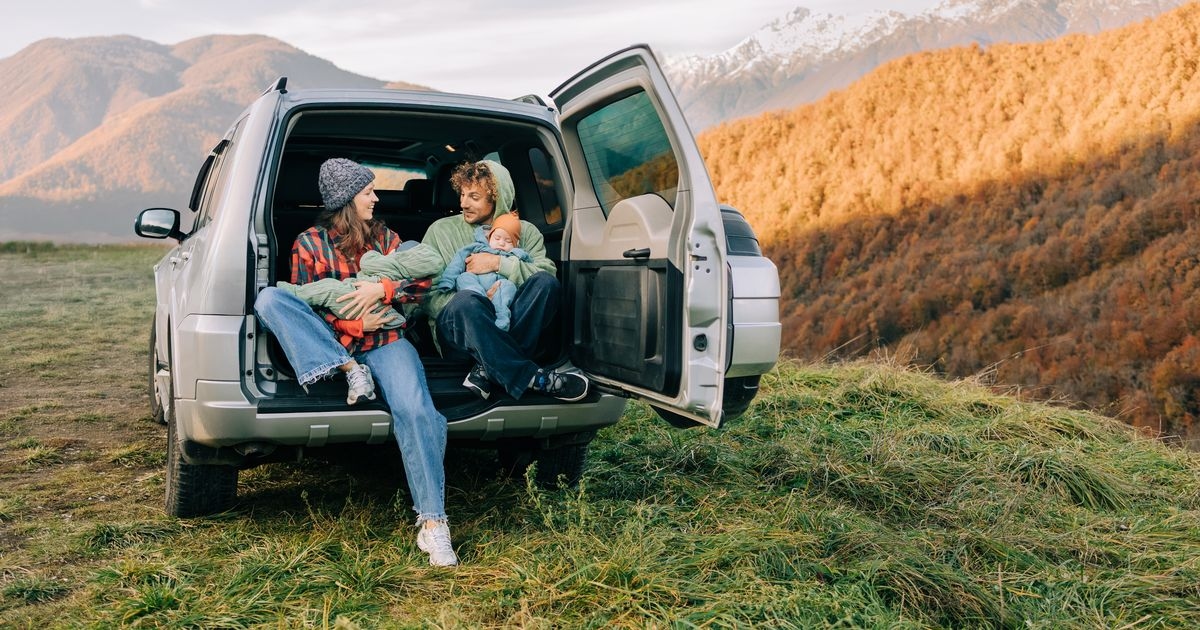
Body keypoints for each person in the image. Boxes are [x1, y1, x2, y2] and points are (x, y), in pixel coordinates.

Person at [253, 157, 458, 567]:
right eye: (368, 192)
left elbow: (424, 283)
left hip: (386, 339)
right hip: (336, 342)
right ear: (346, 200)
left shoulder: (385, 238)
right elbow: (306, 305)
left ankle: (434, 524)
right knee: (271, 299)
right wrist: (352, 323)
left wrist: (383, 290)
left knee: (417, 411)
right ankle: (348, 370)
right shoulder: (309, 243)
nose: (376, 198)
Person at [337, 159, 589, 403]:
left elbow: (546, 274)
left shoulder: (526, 231)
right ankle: (531, 377)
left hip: (512, 320)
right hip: (458, 333)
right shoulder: (441, 230)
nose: (463, 203)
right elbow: (426, 295)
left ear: (497, 198)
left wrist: (498, 264)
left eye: (474, 197)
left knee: (545, 283)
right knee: (467, 300)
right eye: (462, 194)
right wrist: (482, 303)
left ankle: (487, 368)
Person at [432, 212, 531, 332]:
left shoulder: (515, 254)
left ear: (515, 244)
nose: (501, 243)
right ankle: (479, 300)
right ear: (489, 237)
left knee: (508, 287)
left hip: (499, 286)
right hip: (477, 283)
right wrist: (447, 280)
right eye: (497, 238)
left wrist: (515, 259)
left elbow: (529, 265)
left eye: (508, 241)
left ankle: (502, 317)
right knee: (464, 277)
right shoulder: (478, 247)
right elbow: (458, 260)